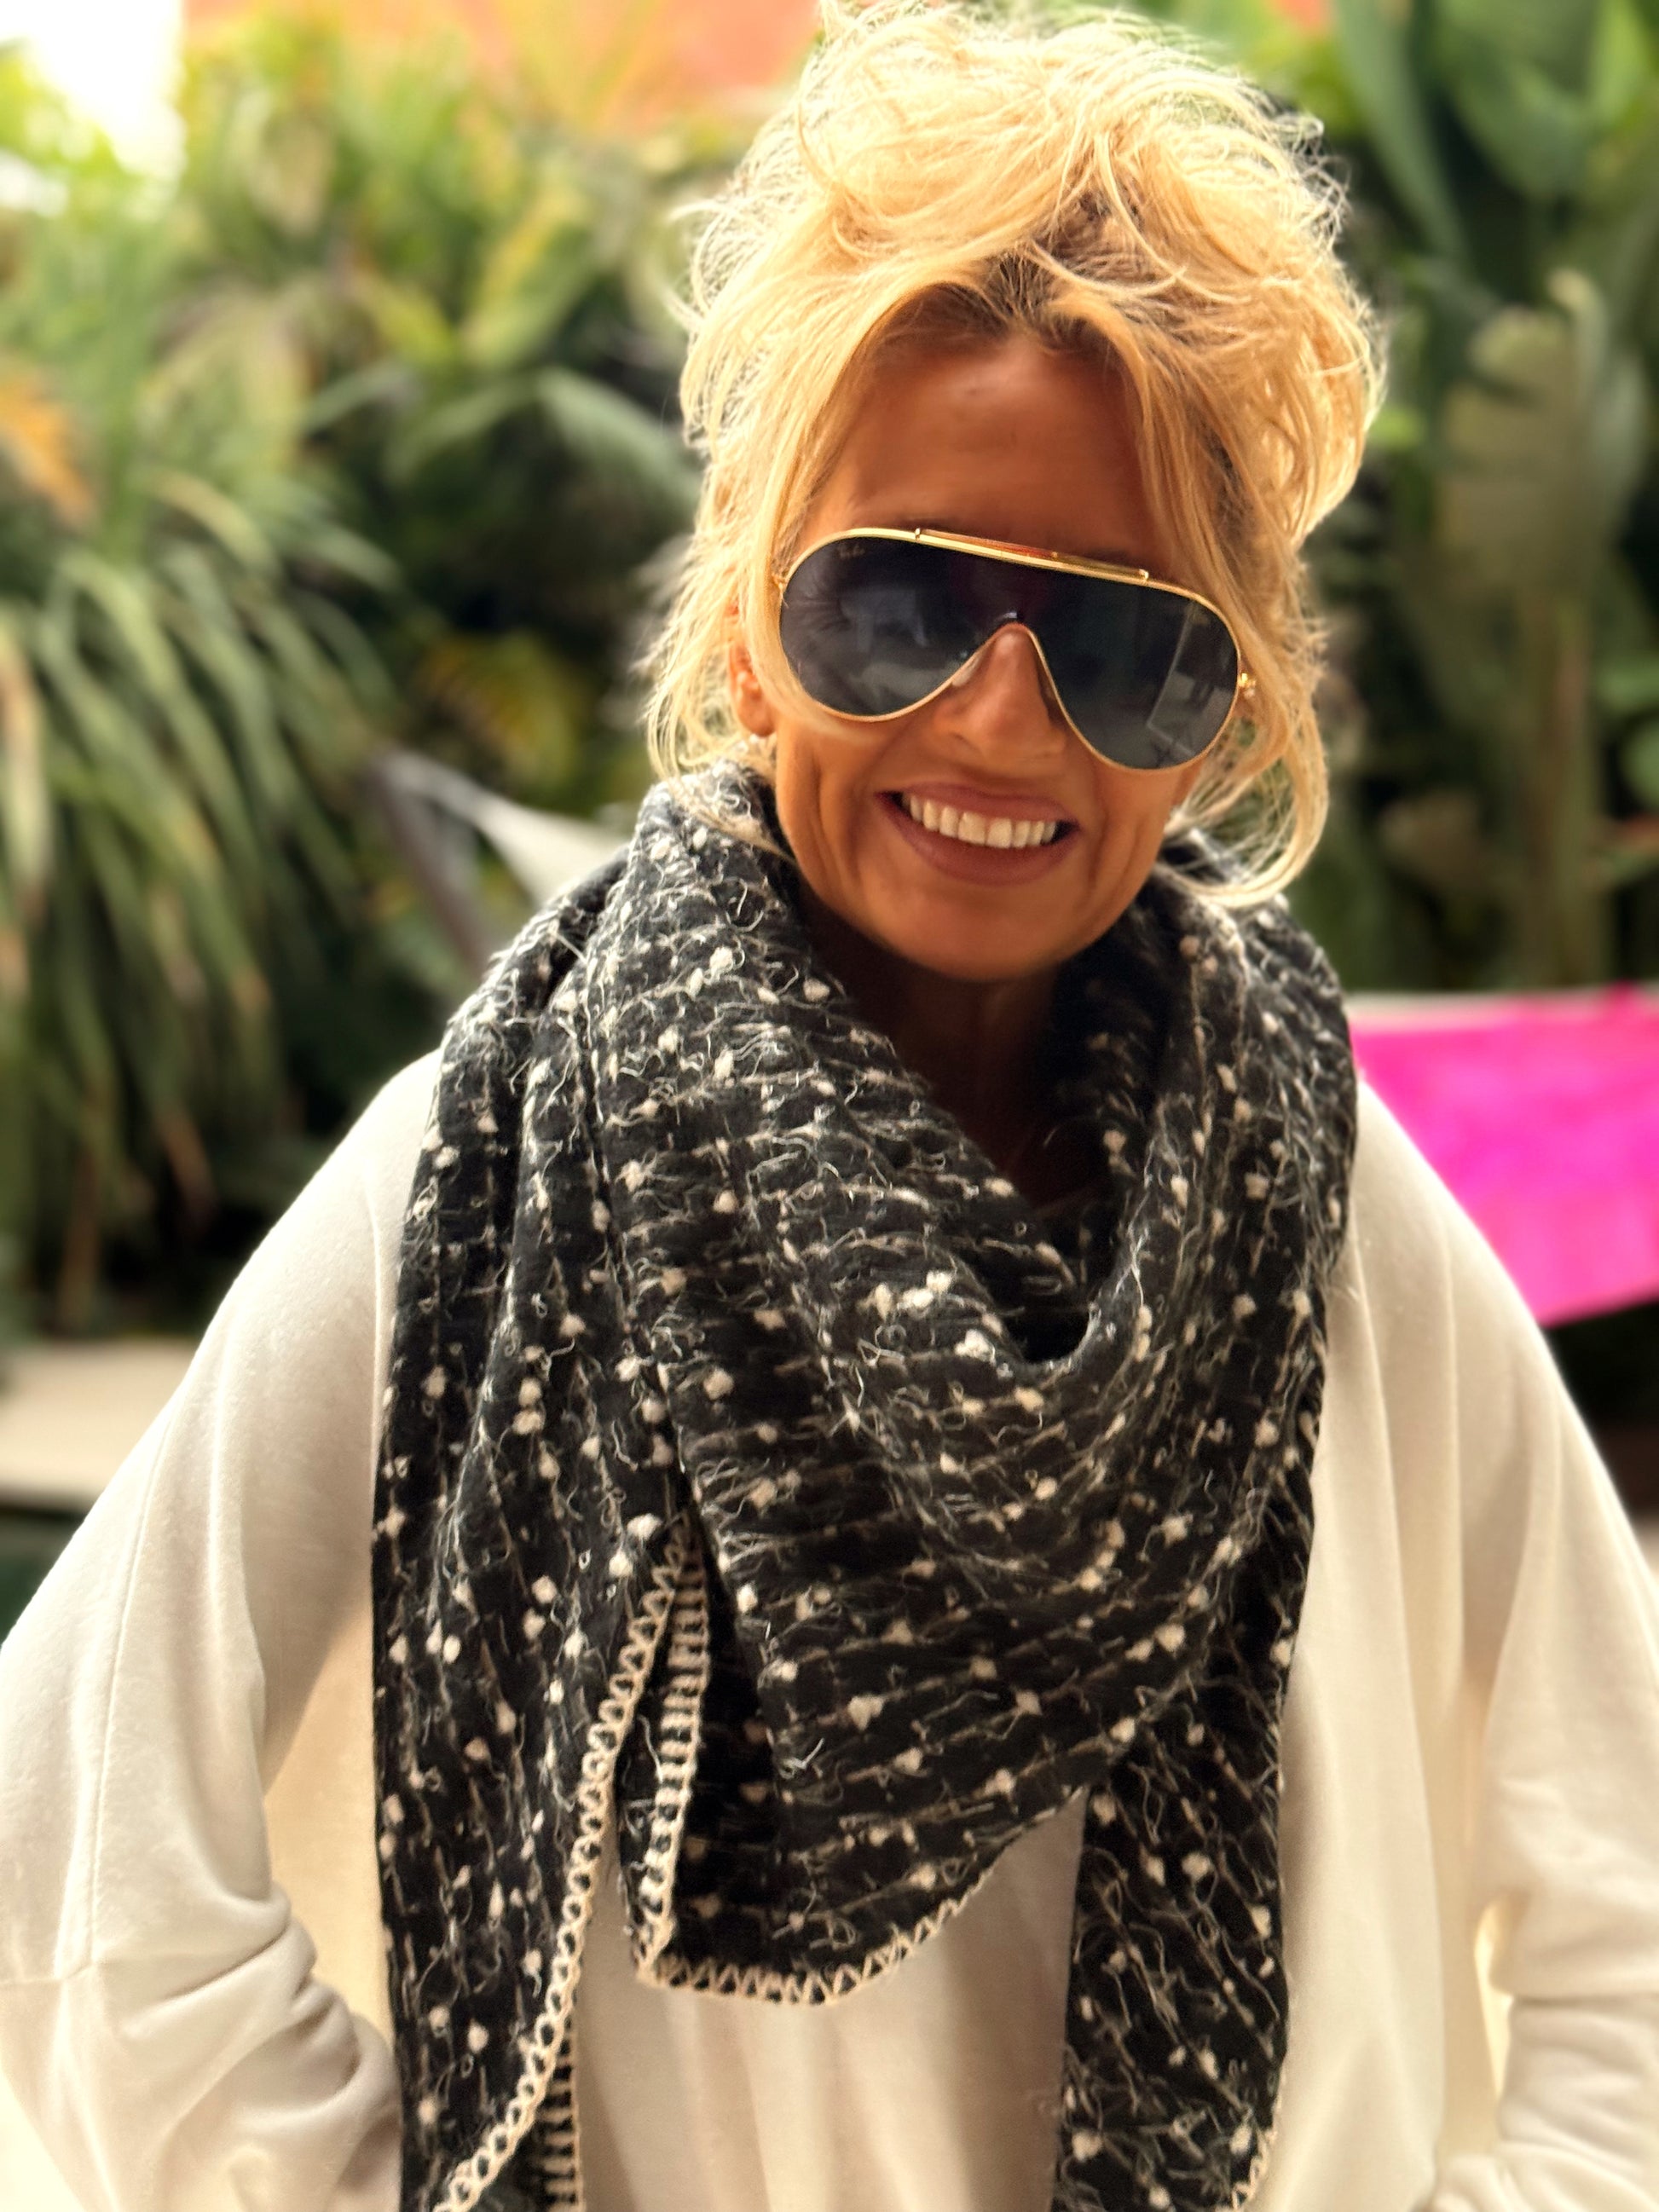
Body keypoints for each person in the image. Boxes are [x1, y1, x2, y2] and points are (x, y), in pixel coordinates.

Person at [3, 5, 1657, 2211]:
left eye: (1123, 645)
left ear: (1225, 713)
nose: (998, 717)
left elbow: (1626, 1897)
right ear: (753, 628)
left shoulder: (1312, 1200)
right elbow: (75, 1839)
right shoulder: (505, 1164)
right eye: (896, 603)